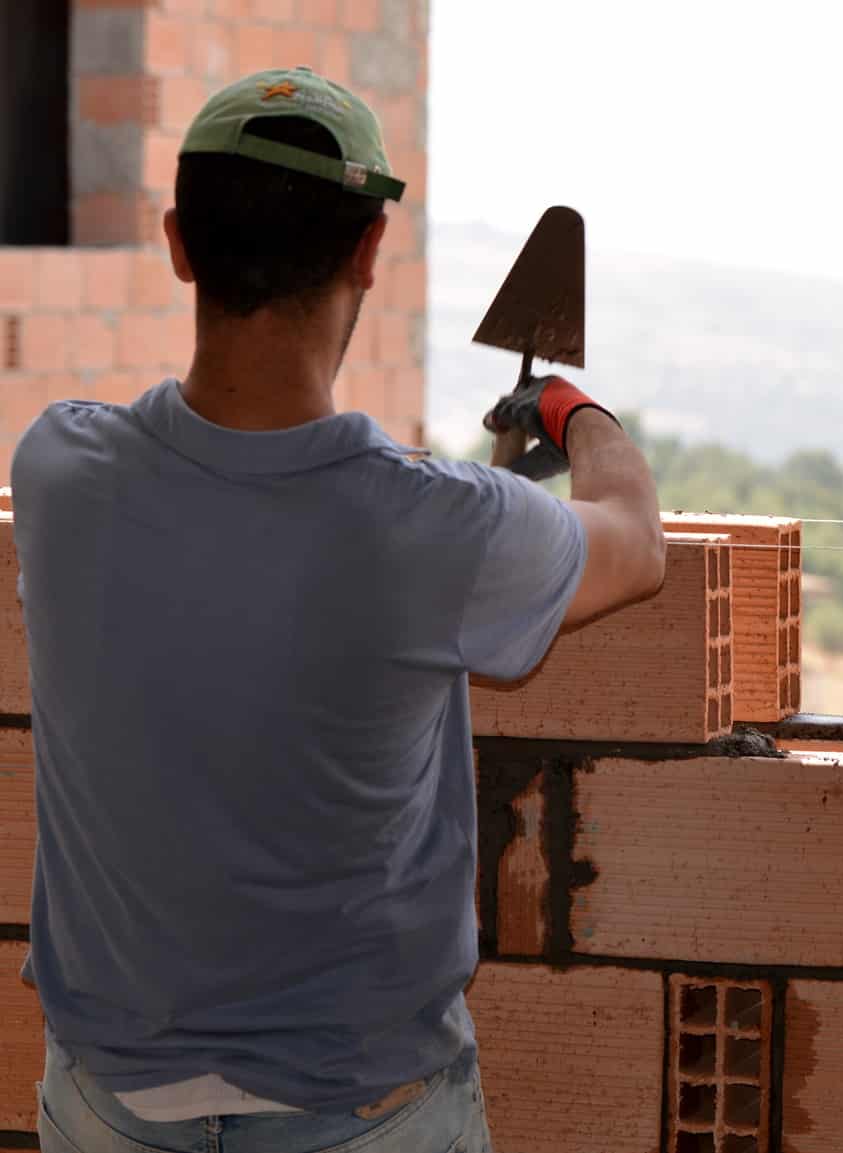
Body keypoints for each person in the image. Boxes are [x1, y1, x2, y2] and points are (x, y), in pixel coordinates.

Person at [9, 67, 664, 1152]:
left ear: (179, 243)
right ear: (369, 251)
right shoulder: (429, 529)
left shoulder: (60, 470)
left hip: (107, 1104)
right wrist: (569, 408)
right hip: (358, 1115)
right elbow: (637, 546)